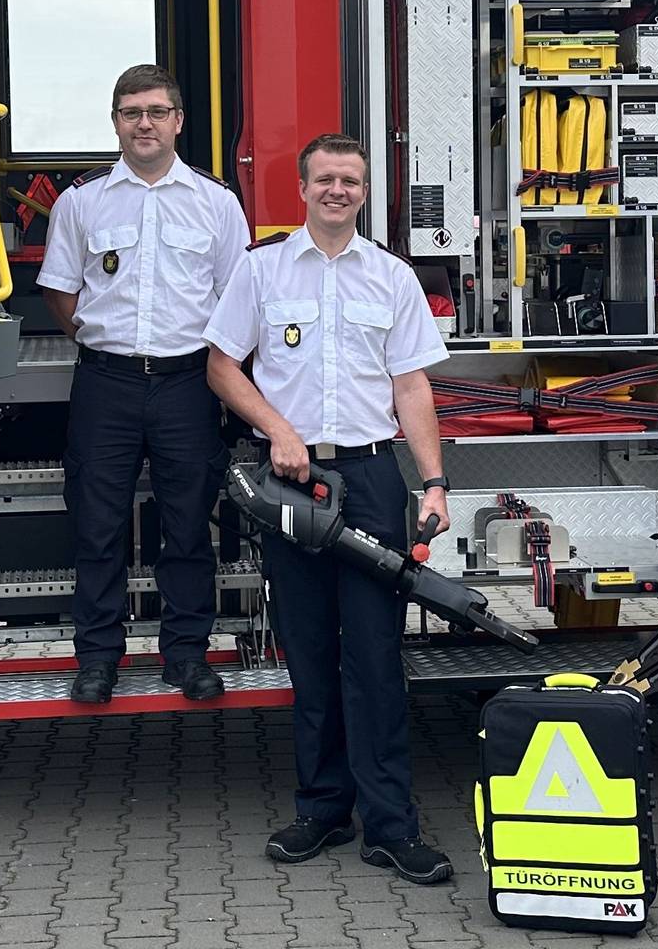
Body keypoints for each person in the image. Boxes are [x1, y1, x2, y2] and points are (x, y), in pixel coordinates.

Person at [203, 132, 456, 886]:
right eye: (326, 179)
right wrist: (278, 429)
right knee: (310, 652)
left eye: (351, 180)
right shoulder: (261, 269)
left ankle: (390, 826)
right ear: (302, 188)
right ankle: (321, 810)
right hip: (293, 484)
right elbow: (221, 366)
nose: (338, 190)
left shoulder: (393, 277)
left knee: (376, 659)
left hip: (375, 482)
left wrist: (434, 481)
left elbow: (411, 388)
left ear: (364, 191)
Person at [37, 64, 250, 705]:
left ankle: (185, 656)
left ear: (178, 120)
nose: (145, 123)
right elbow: (60, 292)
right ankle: (98, 660)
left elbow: (236, 300)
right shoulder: (81, 202)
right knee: (97, 528)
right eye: (132, 112)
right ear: (116, 122)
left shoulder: (216, 203)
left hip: (188, 384)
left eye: (157, 111)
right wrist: (104, 343)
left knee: (187, 526)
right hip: (108, 383)